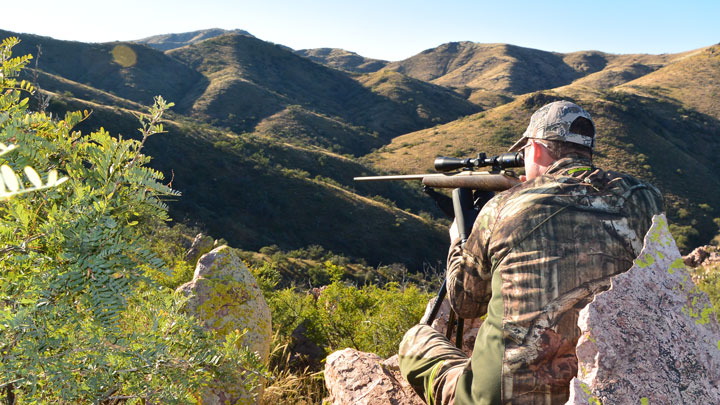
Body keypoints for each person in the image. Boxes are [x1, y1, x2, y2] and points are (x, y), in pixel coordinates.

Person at [398, 100, 664, 404]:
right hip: (601, 387)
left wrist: (460, 239)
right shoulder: (646, 198)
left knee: (416, 340)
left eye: (524, 155)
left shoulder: (500, 208)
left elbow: (464, 304)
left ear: (534, 150)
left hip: (500, 397)